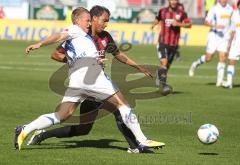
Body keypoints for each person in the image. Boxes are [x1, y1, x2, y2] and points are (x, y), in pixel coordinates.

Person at [15, 7, 165, 151]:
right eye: (87, 20)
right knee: (122, 105)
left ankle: (25, 129)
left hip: (78, 81)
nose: (89, 23)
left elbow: (91, 54)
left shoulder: (88, 37)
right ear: (79, 20)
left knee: (63, 115)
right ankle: (141, 140)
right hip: (93, 78)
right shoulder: (75, 30)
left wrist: (91, 61)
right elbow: (58, 37)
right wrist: (40, 44)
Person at [150, 0, 191, 95]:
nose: (173, 1)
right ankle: (163, 87)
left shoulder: (182, 13)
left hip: (174, 45)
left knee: (166, 67)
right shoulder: (162, 11)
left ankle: (160, 77)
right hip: (162, 42)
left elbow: (189, 25)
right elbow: (158, 18)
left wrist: (179, 24)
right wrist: (153, 24)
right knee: (164, 62)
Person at [189, 0, 233, 87]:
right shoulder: (214, 9)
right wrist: (215, 26)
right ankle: (195, 64)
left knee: (223, 57)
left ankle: (219, 81)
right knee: (208, 58)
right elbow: (206, 22)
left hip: (225, 38)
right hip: (214, 36)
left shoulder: (230, 9)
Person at [222, 0, 240, 88]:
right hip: (236, 43)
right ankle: (229, 83)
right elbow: (233, 30)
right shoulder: (235, 15)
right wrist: (229, 43)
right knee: (231, 60)